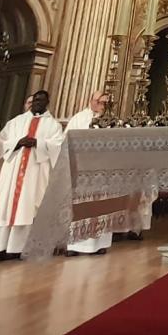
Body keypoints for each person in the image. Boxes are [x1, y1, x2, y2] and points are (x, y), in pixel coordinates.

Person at [0, 89, 65, 259]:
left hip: (35, 173)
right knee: (6, 207)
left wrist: (39, 143)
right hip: (13, 171)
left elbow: (58, 146)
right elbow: (1, 142)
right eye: (35, 99)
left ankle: (20, 248)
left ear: (47, 103)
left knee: (28, 207)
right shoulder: (16, 122)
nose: (37, 102)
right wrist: (18, 142)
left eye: (41, 100)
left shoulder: (54, 125)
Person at [66, 91, 115, 255]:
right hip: (82, 167)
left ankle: (99, 243)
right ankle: (74, 244)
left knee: (102, 204)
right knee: (80, 204)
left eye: (105, 103)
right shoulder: (78, 119)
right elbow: (67, 140)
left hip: (103, 168)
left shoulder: (112, 120)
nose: (102, 106)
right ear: (91, 101)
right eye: (99, 102)